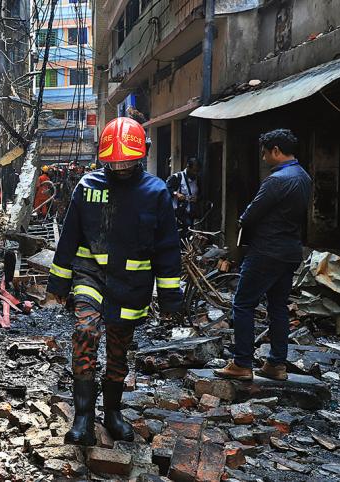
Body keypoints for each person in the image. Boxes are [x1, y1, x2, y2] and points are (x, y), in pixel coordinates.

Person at [45, 117, 182, 446]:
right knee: (85, 333)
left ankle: (113, 413)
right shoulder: (87, 188)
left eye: (127, 163)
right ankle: (83, 417)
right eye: (114, 164)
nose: (120, 169)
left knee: (119, 350)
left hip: (132, 285)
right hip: (90, 276)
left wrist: (169, 299)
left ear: (143, 154)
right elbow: (68, 241)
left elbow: (167, 249)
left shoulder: (156, 193)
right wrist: (57, 288)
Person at [214, 129, 312, 381]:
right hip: (290, 251)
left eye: (265, 152)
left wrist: (243, 219)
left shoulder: (276, 180)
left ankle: (242, 362)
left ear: (276, 151)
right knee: (278, 306)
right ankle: (276, 364)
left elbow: (250, 214)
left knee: (243, 303)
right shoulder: (303, 177)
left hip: (267, 250)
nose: (264, 157)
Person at [166, 158, 201, 241]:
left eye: (197, 171)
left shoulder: (198, 180)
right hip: (178, 214)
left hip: (191, 213)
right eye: (194, 171)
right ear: (188, 167)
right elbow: (166, 189)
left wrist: (197, 198)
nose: (195, 173)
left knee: (189, 235)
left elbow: (202, 194)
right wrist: (176, 194)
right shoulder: (177, 177)